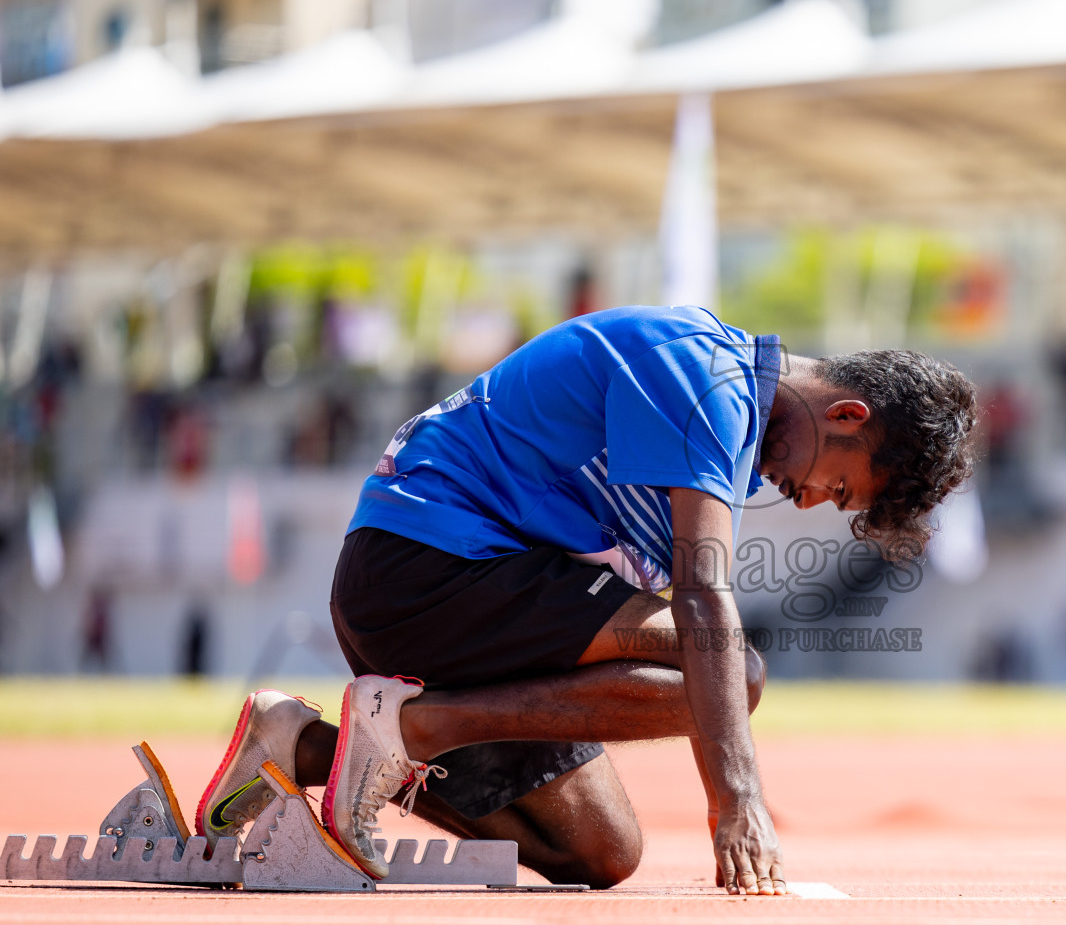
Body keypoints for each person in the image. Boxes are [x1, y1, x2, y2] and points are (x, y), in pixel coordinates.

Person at [194, 305, 978, 894]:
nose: (807, 502)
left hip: (493, 603)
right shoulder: (705, 376)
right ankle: (415, 727)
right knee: (733, 671)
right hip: (420, 573)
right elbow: (703, 600)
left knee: (601, 854)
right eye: (835, 486)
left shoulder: (734, 436)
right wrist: (738, 800)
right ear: (847, 415)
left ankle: (304, 744)